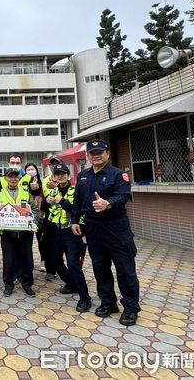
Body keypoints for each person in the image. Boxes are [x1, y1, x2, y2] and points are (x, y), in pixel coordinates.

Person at [72, 139, 140, 326]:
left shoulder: (118, 175)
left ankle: (131, 308)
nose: (96, 156)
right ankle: (108, 302)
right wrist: (75, 220)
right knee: (100, 268)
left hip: (116, 228)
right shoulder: (83, 176)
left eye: (100, 152)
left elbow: (124, 196)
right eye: (92, 153)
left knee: (125, 270)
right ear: (88, 156)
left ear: (107, 154)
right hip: (93, 229)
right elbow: (77, 200)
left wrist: (108, 203)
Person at [42, 164, 91, 312]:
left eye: (63, 173)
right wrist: (47, 202)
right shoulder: (53, 190)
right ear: (55, 176)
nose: (60, 176)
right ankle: (71, 283)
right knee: (55, 261)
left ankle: (85, 298)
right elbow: (45, 208)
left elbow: (78, 209)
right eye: (57, 174)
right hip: (56, 231)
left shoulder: (76, 190)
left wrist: (61, 200)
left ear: (68, 175)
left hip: (72, 231)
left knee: (73, 263)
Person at [0, 167, 37, 297]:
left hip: (25, 234)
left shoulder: (26, 193)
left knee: (27, 260)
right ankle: (8, 285)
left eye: (15, 176)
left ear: (19, 178)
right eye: (10, 176)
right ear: (5, 178)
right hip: (7, 234)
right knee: (8, 260)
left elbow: (33, 210)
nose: (13, 179)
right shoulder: (0, 194)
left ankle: (27, 284)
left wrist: (32, 222)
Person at [40, 156, 63, 281]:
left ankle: (63, 270)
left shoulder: (68, 180)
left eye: (57, 164)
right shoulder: (45, 181)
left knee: (63, 246)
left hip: (65, 219)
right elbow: (42, 199)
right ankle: (50, 271)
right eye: (52, 165)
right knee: (48, 245)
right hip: (49, 218)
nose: (54, 167)